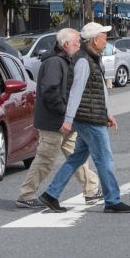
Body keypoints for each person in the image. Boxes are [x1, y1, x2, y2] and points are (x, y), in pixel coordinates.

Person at [39, 22, 130, 214]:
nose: (106, 40)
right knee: (105, 159)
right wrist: (68, 119)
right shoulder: (83, 61)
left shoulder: (91, 57)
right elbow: (75, 92)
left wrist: (107, 113)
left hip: (92, 115)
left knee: (76, 158)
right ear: (94, 40)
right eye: (104, 37)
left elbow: (99, 89)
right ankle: (112, 200)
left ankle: (51, 194)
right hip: (89, 118)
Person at [14, 28, 102, 209]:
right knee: (45, 160)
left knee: (77, 157)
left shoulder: (65, 60)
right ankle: (26, 195)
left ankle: (92, 190)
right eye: (77, 43)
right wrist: (65, 113)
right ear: (67, 44)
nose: (79, 47)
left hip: (63, 121)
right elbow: (50, 91)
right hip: (54, 122)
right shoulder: (55, 62)